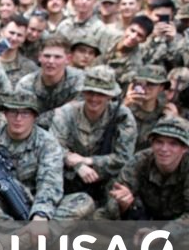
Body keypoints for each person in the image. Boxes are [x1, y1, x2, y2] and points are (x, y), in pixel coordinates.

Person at [0, 91, 95, 223]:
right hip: (0, 202)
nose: (18, 118)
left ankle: (16, 235)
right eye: (13, 112)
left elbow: (50, 182)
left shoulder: (47, 143)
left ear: (34, 116)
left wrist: (41, 214)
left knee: (84, 201)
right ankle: (21, 236)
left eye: (25, 113)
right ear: (5, 114)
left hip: (34, 200)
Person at [94, 116, 189, 242]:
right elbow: (117, 194)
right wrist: (123, 205)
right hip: (147, 221)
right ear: (152, 143)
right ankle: (145, 244)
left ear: (184, 148)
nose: (164, 149)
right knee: (99, 218)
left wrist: (164, 233)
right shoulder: (141, 160)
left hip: (178, 227)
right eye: (159, 142)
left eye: (173, 144)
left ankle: (134, 245)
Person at [50, 65, 137, 203]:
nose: (94, 98)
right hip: (69, 176)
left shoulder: (122, 116)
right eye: (90, 92)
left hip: (108, 178)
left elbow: (124, 158)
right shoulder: (66, 113)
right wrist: (76, 164)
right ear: (83, 92)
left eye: (101, 94)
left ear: (110, 96)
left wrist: (87, 161)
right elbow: (52, 148)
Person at [15, 36, 85, 129]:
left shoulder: (79, 79)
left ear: (68, 59)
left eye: (57, 57)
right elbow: (24, 119)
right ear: (39, 57)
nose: (51, 61)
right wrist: (62, 110)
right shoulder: (26, 84)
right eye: (47, 56)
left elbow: (78, 113)